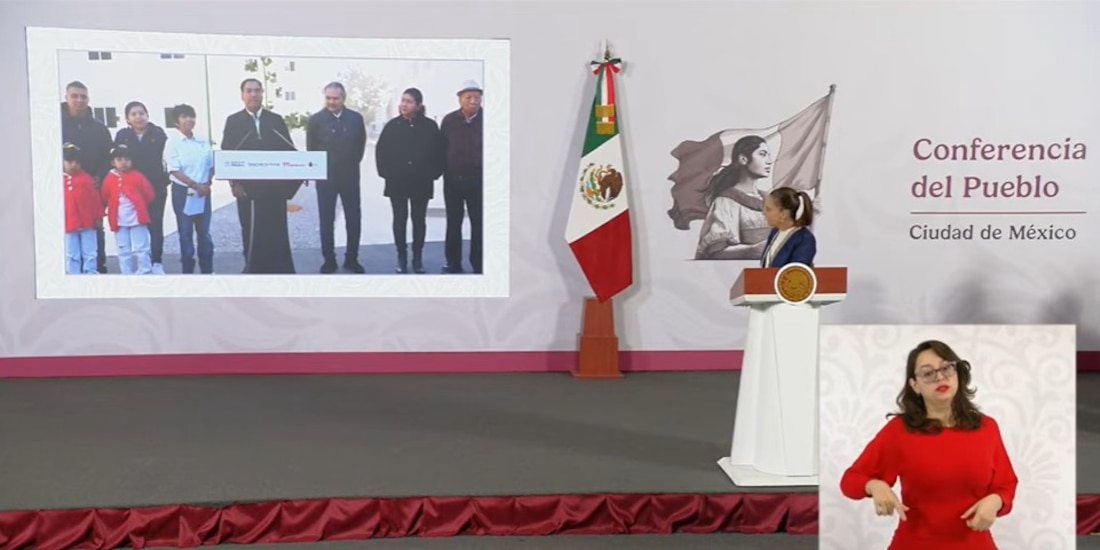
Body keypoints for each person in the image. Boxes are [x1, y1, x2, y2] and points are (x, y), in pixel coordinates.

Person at [839, 340, 1018, 550]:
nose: (940, 377)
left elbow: (1006, 484)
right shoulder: (900, 430)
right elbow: (850, 481)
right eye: (927, 373)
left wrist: (996, 500)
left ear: (958, 373)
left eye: (946, 368)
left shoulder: (986, 427)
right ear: (915, 385)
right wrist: (874, 485)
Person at [220, 78, 302, 274]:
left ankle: (281, 270)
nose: (254, 94)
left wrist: (299, 172)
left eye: (257, 91)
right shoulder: (233, 121)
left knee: (276, 231)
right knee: (250, 230)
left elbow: (289, 151)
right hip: (247, 189)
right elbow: (227, 154)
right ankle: (253, 269)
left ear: (262, 94)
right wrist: (234, 184)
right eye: (249, 91)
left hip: (275, 188)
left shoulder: (275, 121)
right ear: (242, 95)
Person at [375, 87, 445, 274]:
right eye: (402, 100)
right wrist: (386, 173)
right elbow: (381, 152)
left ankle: (417, 258)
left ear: (418, 105)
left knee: (419, 220)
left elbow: (439, 152)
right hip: (397, 181)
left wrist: (434, 173)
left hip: (421, 181)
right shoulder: (392, 126)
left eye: (409, 101)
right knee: (399, 220)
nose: (404, 105)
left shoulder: (430, 126)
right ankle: (402, 257)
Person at [306, 82, 366, 274]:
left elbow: (360, 146)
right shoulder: (316, 120)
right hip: (326, 178)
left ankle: (352, 258)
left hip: (350, 176)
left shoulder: (355, 119)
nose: (331, 102)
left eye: (335, 98)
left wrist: (350, 162)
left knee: (353, 218)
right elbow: (311, 149)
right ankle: (329, 260)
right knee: (326, 220)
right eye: (328, 98)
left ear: (343, 98)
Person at [60, 81, 112, 273]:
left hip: (92, 189)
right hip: (65, 190)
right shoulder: (55, 124)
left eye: (83, 96)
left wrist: (100, 176)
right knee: (68, 232)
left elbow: (108, 158)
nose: (79, 100)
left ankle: (98, 269)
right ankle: (69, 272)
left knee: (95, 228)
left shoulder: (99, 128)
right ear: (66, 97)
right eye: (74, 96)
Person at [695, 135, 773, 260]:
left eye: (769, 155)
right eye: (762, 154)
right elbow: (716, 252)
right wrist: (751, 251)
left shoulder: (772, 200)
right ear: (743, 159)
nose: (769, 161)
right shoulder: (726, 202)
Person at [114, 101, 170, 274]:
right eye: (134, 114)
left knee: (155, 226)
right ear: (127, 119)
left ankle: (156, 263)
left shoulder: (158, 134)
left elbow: (166, 158)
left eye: (141, 113)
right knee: (133, 227)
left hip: (155, 188)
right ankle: (134, 265)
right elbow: (117, 160)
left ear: (147, 115)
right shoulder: (122, 136)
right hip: (131, 191)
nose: (138, 117)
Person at [164, 104, 215, 274]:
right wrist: (195, 185)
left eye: (191, 116)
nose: (189, 120)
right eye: (184, 117)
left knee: (204, 234)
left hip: (204, 192)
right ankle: (188, 273)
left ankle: (207, 271)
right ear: (176, 121)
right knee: (185, 234)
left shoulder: (202, 141)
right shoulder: (173, 143)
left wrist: (206, 184)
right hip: (183, 192)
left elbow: (211, 165)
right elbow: (174, 169)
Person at [439, 80, 484, 274]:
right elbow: (441, 148)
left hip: (479, 182)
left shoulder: (488, 120)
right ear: (460, 99)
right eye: (468, 97)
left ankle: (479, 263)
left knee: (479, 224)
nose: (473, 101)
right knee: (453, 223)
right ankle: (453, 263)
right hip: (453, 181)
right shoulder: (449, 121)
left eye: (477, 97)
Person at [101, 145, 155, 275]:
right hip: (119, 219)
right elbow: (105, 195)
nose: (123, 162)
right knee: (123, 248)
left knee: (142, 247)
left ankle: (145, 270)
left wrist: (140, 205)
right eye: (119, 159)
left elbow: (149, 194)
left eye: (127, 159)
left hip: (137, 218)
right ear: (113, 162)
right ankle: (126, 272)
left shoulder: (137, 176)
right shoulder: (110, 178)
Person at [62, 143, 103, 274]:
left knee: (90, 252)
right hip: (68, 223)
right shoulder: (58, 181)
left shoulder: (86, 179)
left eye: (77, 162)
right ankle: (73, 274)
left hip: (87, 222)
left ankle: (90, 273)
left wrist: (98, 217)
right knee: (71, 253)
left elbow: (95, 200)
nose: (74, 165)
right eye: (70, 162)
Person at [760, 187, 816, 267]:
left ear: (783, 214)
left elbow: (796, 270)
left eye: (768, 209)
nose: (764, 213)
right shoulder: (774, 233)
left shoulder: (804, 238)